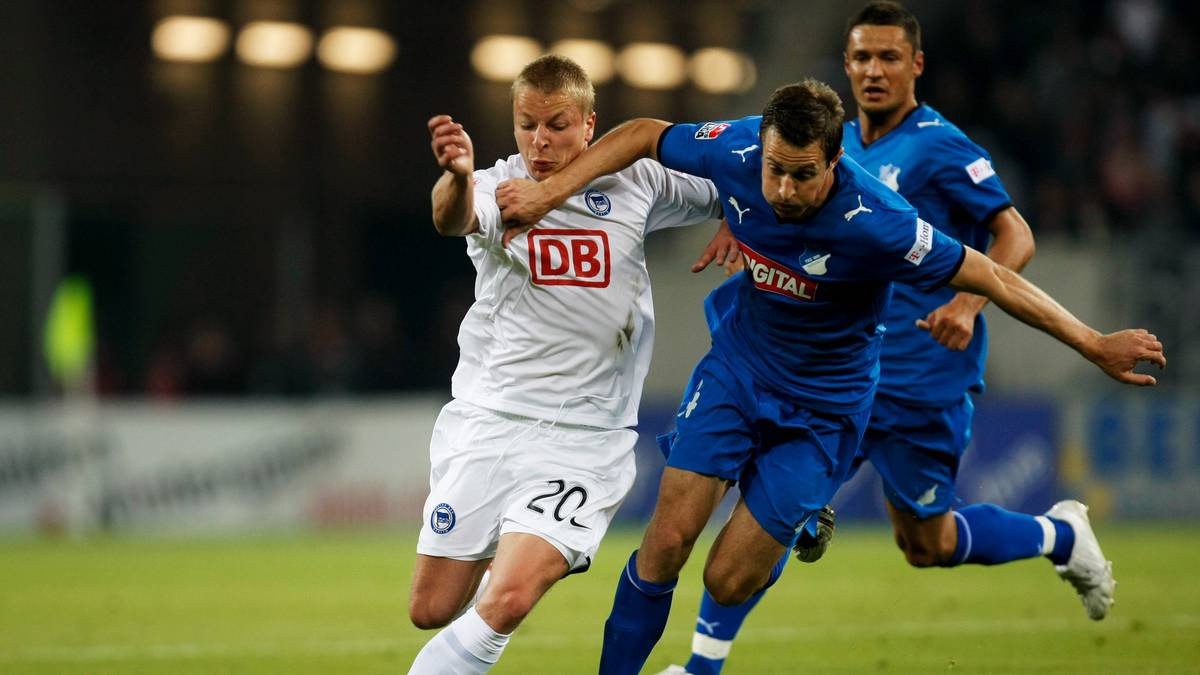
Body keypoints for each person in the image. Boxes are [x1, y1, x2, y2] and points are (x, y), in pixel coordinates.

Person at [495, 78, 1165, 674]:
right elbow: (644, 135)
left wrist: (1092, 341)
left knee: (730, 580)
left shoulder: (878, 222)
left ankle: (1038, 533)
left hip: (823, 409)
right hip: (737, 371)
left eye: (802, 176)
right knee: (666, 540)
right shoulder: (736, 152)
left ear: (835, 163)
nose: (783, 190)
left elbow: (991, 270)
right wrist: (552, 191)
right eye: (775, 171)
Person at [656, 3, 1132, 672]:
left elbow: (1013, 236)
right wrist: (746, 220)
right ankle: (702, 665)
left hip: (920, 370)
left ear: (916, 65)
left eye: (887, 58)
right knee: (769, 506)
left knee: (926, 542)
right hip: (835, 372)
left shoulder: (942, 145)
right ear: (846, 65)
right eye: (861, 58)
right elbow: (784, 194)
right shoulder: (828, 141)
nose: (873, 71)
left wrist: (967, 306)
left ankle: (1058, 533)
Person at [408, 55, 728, 674]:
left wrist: (743, 227)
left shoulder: (640, 181)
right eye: (527, 125)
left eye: (556, 125)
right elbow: (453, 216)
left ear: (589, 124)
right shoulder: (500, 185)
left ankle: (513, 576)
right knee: (431, 607)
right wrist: (455, 173)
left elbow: (741, 184)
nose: (540, 141)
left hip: (584, 440)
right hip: (489, 421)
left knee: (508, 600)